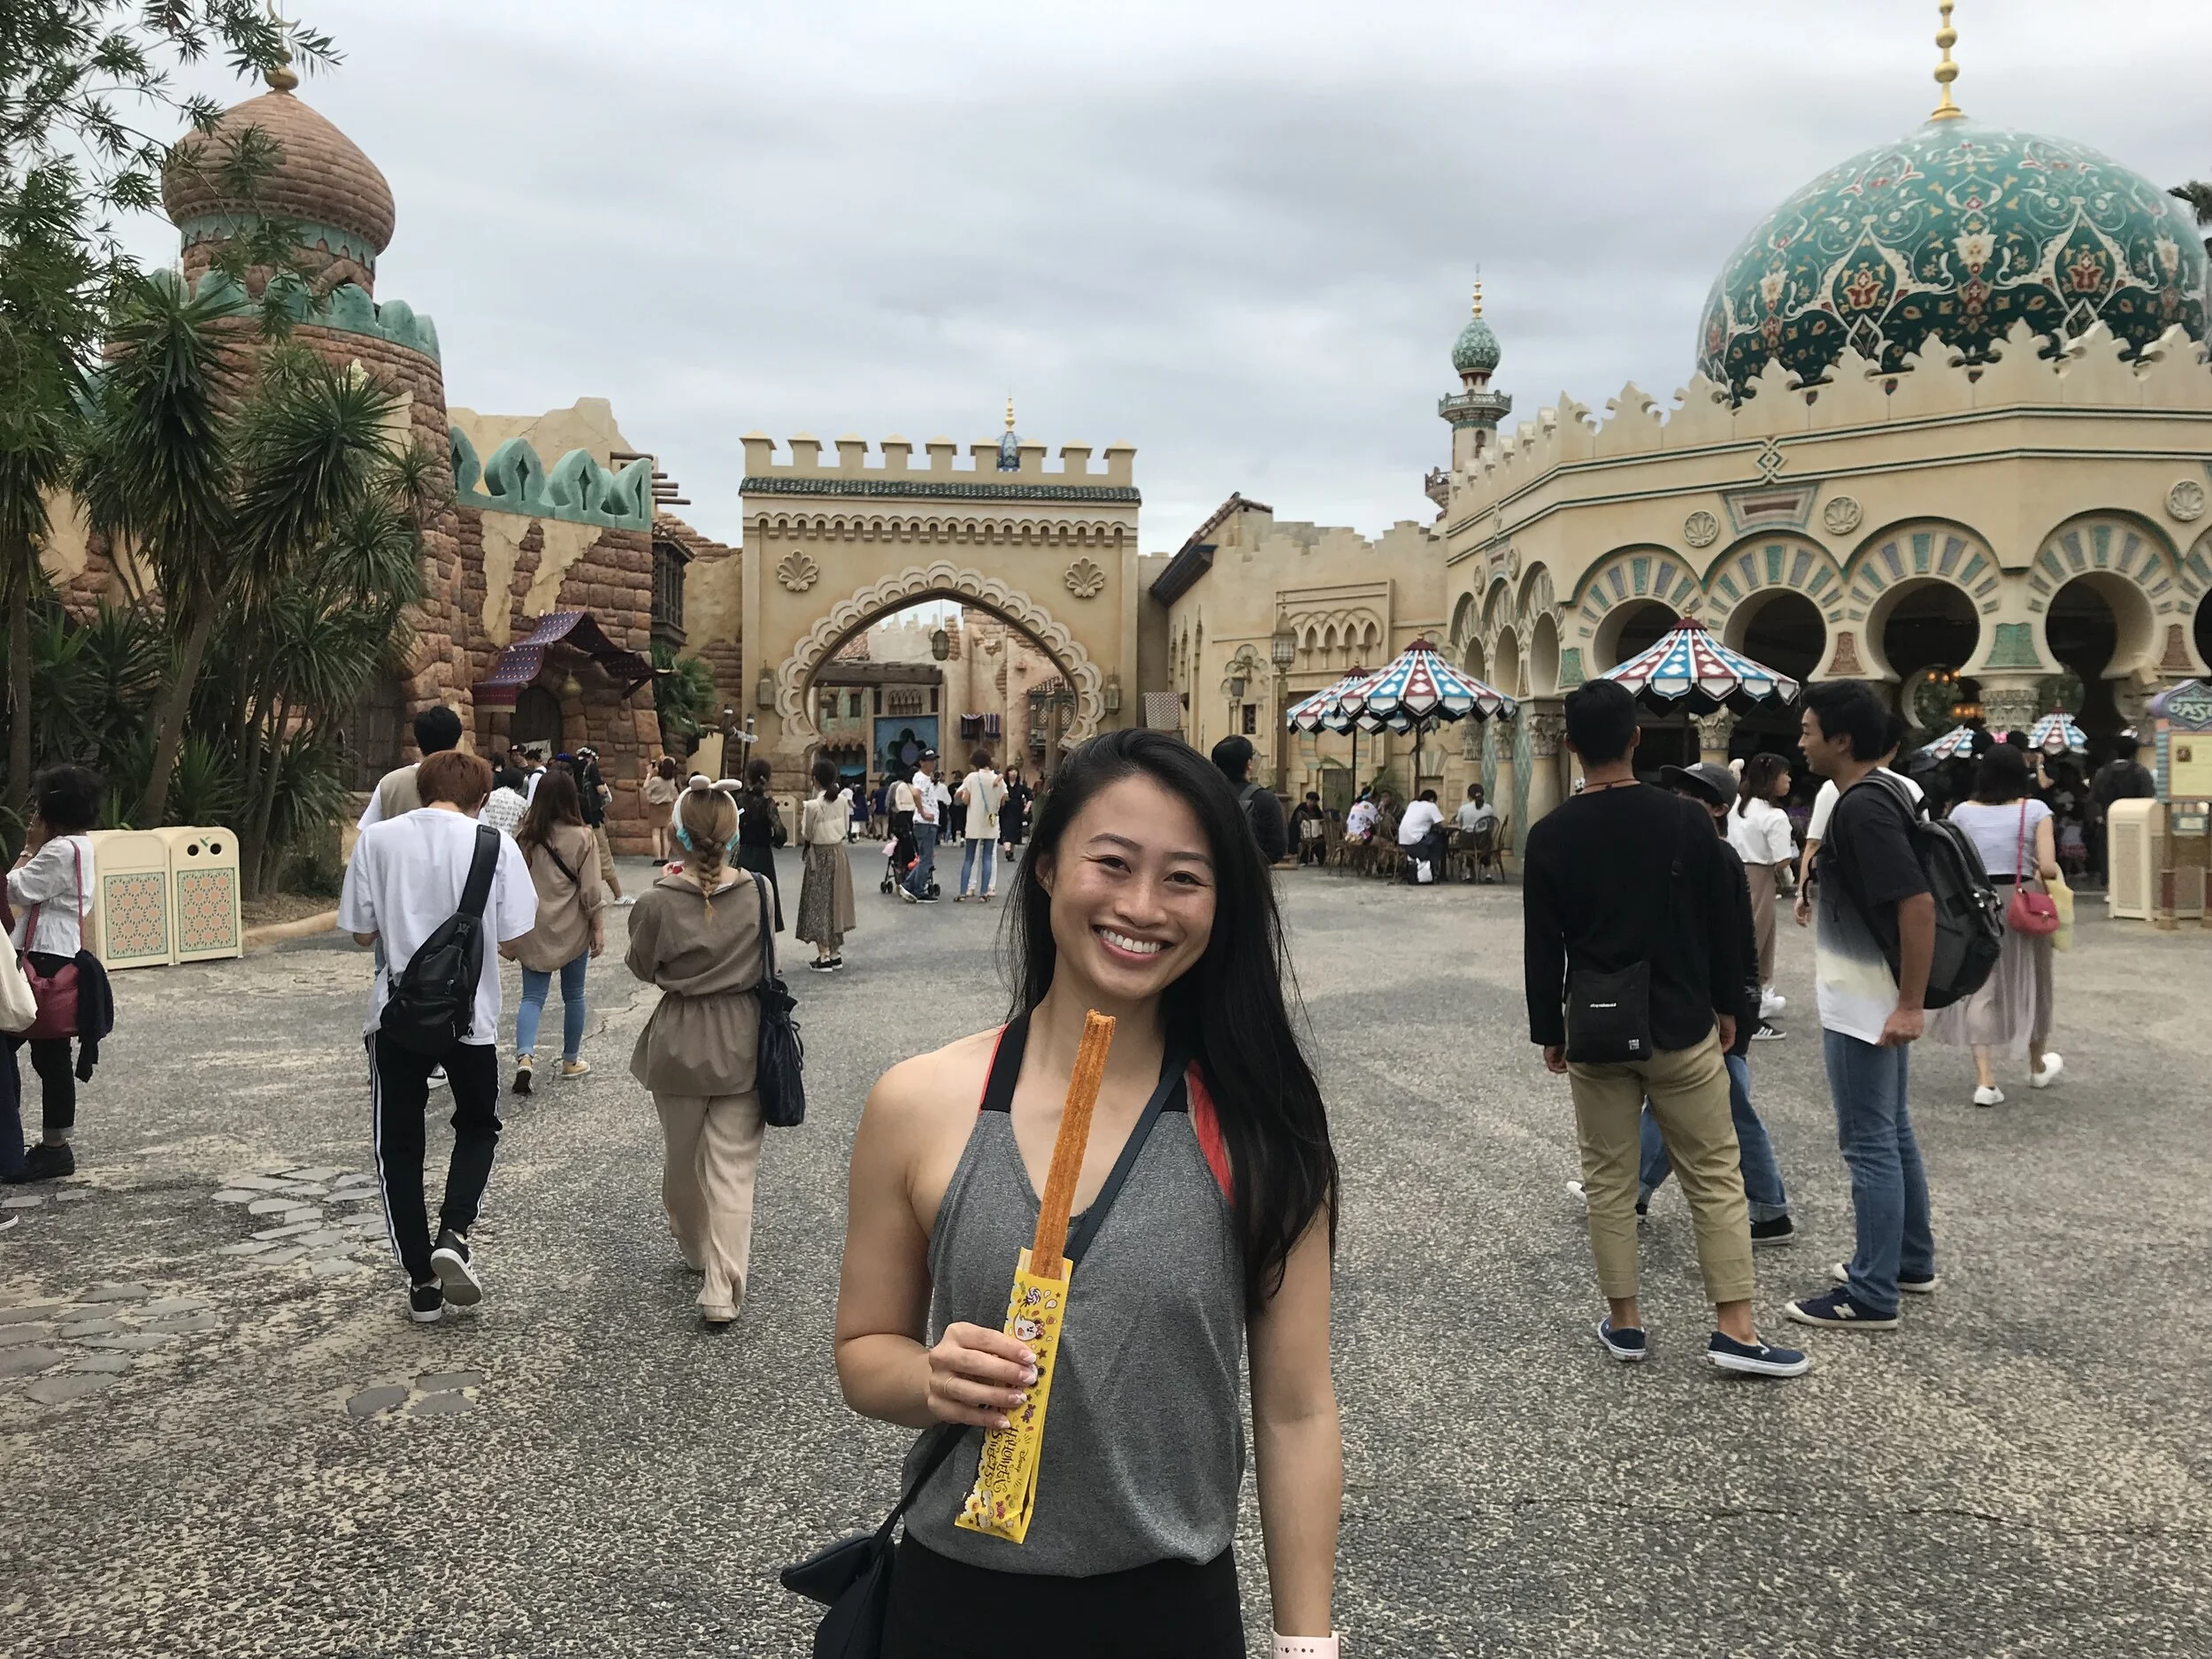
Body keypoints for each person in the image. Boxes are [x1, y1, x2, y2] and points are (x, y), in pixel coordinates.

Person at [834, 727, 1342, 1654]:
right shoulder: (919, 1102)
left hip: (1170, 1611)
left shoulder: (1263, 1126)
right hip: (955, 1604)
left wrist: (1306, 1647)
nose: (1141, 907)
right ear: (1044, 867)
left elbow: (1297, 1407)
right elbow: (865, 1349)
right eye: (1110, 863)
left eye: (1184, 878)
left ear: (1222, 904)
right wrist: (930, 1378)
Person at [1522, 679, 1807, 1378]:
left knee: (1608, 1178)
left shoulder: (1550, 834)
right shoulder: (1685, 821)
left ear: (1569, 745)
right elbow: (1728, 917)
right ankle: (1735, 1328)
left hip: (1594, 1025)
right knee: (1714, 1170)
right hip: (1681, 1022)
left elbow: (1541, 944)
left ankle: (1626, 1322)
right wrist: (1732, 1002)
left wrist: (1547, 1028)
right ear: (1636, 738)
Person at [338, 749, 537, 1324]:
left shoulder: (376, 841)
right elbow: (515, 939)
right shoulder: (494, 845)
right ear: (482, 799)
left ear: (422, 789)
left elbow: (360, 933)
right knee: (477, 1125)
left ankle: (422, 1281)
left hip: (397, 1015)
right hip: (470, 1016)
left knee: (397, 1145)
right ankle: (454, 1228)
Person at [1784, 680, 1939, 1332]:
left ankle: (1873, 1292)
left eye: (1810, 729)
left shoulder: (1861, 808)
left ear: (1842, 740)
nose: (1802, 740)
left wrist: (1908, 1003)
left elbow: (1917, 903)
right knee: (1892, 1129)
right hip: (1875, 995)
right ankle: (1908, 1258)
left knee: (1868, 1139)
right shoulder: (1894, 790)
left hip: (1864, 1000)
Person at [625, 778, 770, 1326]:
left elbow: (642, 967)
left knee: (682, 1160)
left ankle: (694, 1246)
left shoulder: (658, 901)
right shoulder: (759, 891)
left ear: (678, 836)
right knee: (733, 1168)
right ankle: (721, 1287)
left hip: (680, 1040)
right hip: (743, 1037)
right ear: (734, 835)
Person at [1632, 762, 1795, 1242]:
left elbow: (1732, 943)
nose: (1680, 799)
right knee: (1689, 1098)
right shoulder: (1680, 851)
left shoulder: (1718, 857)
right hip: (1699, 999)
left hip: (1714, 1003)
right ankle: (1636, 1191)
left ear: (1721, 808)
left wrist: (1736, 1008)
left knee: (1727, 1102)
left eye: (1695, 794)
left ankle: (1769, 1208)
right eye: (1677, 790)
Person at [1926, 744, 2062, 1103]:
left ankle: (1986, 1081)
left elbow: (1950, 859)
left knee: (1982, 986)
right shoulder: (2035, 810)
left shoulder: (1962, 813)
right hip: (2022, 900)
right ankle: (2035, 1067)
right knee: (2033, 979)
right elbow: (2048, 866)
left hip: (1977, 903)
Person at [4, 765, 104, 1183]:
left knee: (10, 1044)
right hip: (61, 954)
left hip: (38, 956)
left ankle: (34, 1149)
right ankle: (53, 1146)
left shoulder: (58, 851)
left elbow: (13, 889)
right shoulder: (83, 846)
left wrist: (27, 847)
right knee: (52, 1058)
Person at [507, 765, 604, 1095]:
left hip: (534, 926)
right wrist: (598, 927)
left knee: (532, 997)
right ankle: (570, 1060)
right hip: (573, 926)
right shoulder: (583, 837)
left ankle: (524, 1057)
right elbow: (591, 890)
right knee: (573, 995)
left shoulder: (525, 837)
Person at [1794, 713, 1922, 931]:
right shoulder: (1910, 788)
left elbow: (1814, 845)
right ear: (1895, 747)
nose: (1801, 743)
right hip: (1898, 909)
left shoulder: (1831, 789)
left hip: (1842, 908)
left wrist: (1802, 893)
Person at [1730, 753, 1797, 1038]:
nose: (1790, 780)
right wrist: (1792, 882)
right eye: (1785, 774)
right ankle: (1749, 1011)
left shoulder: (1738, 805)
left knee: (1738, 939)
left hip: (1733, 872)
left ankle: (1751, 1000)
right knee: (1757, 943)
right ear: (1772, 779)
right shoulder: (1775, 815)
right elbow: (1782, 861)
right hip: (1760, 878)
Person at [357, 706, 463, 831]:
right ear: (456, 741)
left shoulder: (390, 783)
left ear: (418, 741)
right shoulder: (469, 784)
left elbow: (366, 834)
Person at [797, 757, 857, 972]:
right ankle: (835, 951)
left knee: (818, 902)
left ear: (814, 779)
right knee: (836, 900)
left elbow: (807, 832)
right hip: (839, 852)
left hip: (820, 854)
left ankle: (823, 955)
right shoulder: (841, 801)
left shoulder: (812, 806)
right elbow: (847, 826)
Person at [1208, 734, 1289, 865]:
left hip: (1212, 877)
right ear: (1249, 764)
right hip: (1252, 880)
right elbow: (1277, 850)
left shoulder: (1205, 796)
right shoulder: (1266, 800)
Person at [2087, 732, 2155, 883]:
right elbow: (2149, 797)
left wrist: (2097, 818)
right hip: (2136, 822)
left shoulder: (2102, 773)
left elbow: (2094, 799)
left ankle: (2110, 883)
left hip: (2107, 820)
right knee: (2133, 854)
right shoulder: (2141, 772)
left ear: (2114, 752)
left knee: (2108, 853)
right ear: (2134, 752)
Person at [570, 746, 628, 908]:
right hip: (593, 819)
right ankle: (619, 895)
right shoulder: (591, 767)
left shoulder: (571, 768)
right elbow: (601, 790)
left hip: (576, 819)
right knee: (603, 856)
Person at [734, 757, 787, 932]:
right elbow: (780, 832)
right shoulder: (767, 803)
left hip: (742, 853)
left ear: (749, 777)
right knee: (765, 895)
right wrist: (774, 841)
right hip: (763, 856)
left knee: (740, 895)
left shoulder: (739, 800)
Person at [955, 747, 1005, 901]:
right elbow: (1004, 799)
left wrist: (966, 799)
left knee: (969, 858)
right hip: (991, 821)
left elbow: (960, 796)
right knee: (988, 857)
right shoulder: (998, 778)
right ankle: (984, 893)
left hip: (974, 821)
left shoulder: (971, 778)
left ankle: (963, 892)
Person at [902, 749, 941, 902]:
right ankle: (917, 889)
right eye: (930, 760)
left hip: (928, 822)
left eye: (934, 760)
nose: (933, 763)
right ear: (922, 762)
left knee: (926, 859)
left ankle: (909, 886)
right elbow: (916, 794)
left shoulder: (926, 778)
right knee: (926, 859)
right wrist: (923, 813)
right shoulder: (920, 777)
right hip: (925, 823)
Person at [1395, 787, 1448, 882]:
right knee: (1440, 839)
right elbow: (1443, 824)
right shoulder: (1431, 806)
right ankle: (1434, 868)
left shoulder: (1412, 804)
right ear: (1432, 799)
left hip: (1402, 841)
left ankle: (1425, 866)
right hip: (1416, 841)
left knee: (1434, 838)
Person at [644, 757, 682, 862]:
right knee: (666, 834)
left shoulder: (655, 780)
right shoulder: (671, 781)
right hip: (668, 807)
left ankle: (658, 858)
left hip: (655, 808)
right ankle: (665, 857)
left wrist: (649, 774)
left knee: (656, 833)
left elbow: (646, 787)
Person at [480, 764, 530, 838]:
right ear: (519, 784)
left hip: (486, 838)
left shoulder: (488, 797)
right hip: (509, 841)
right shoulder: (522, 803)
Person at [999, 764, 1033, 859]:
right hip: (1006, 809)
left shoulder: (1021, 787)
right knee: (1006, 829)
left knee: (1015, 831)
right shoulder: (1003, 785)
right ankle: (1007, 850)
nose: (1013, 773)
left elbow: (1030, 796)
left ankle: (1011, 852)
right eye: (1011, 771)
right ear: (1007, 773)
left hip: (1017, 810)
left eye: (1015, 771)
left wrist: (1027, 807)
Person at [1293, 791, 1328, 866]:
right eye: (1312, 801)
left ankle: (1321, 860)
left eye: (1315, 801)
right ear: (1308, 800)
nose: (1313, 803)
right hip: (1305, 831)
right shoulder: (1301, 807)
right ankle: (1304, 859)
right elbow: (1297, 821)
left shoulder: (1316, 808)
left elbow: (1320, 817)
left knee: (1321, 840)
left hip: (1316, 830)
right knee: (1307, 841)